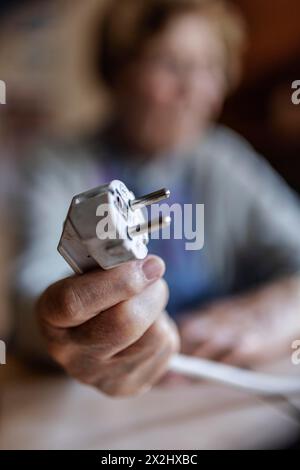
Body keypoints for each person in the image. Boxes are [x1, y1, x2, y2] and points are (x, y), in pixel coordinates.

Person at [13, 0, 300, 396]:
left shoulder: (223, 160)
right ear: (119, 73)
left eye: (211, 68)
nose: (195, 90)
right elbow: (29, 299)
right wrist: (63, 330)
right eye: (171, 65)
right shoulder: (60, 164)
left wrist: (275, 310)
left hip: (209, 393)